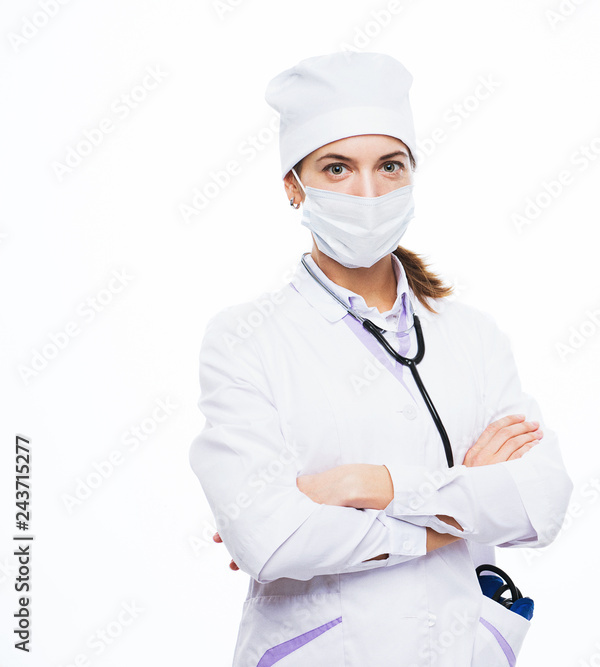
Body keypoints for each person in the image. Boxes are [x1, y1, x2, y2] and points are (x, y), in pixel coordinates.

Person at [188, 51, 574, 667]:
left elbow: (541, 499)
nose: (368, 192)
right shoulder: (245, 339)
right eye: (337, 168)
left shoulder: (472, 336)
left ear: (411, 175)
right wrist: (449, 521)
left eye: (389, 166)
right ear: (293, 186)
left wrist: (367, 485)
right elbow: (271, 537)